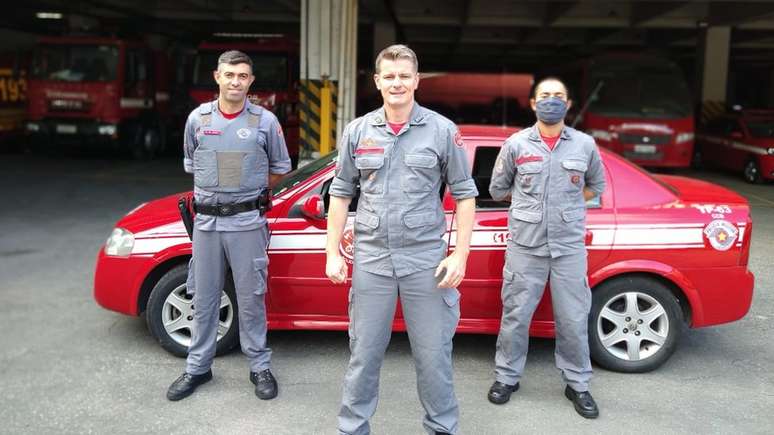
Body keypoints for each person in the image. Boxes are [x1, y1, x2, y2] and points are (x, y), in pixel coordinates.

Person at [325, 44, 477, 435]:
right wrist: (332, 252)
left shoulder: (442, 131)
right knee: (364, 354)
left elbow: (464, 195)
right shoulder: (358, 131)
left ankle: (441, 428)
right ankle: (352, 428)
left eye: (404, 76)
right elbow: (341, 193)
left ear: (417, 80)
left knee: (433, 357)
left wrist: (459, 255)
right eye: (389, 76)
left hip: (425, 263)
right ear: (377, 82)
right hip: (372, 260)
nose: (397, 83)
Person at [167, 50, 291, 401]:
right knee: (203, 297)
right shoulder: (197, 118)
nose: (236, 81)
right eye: (229, 74)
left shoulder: (265, 122)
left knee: (251, 298)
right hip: (206, 224)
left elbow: (280, 167)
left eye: (243, 76)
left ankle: (259, 366)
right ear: (217, 77)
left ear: (251, 81)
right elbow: (192, 162)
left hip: (247, 222)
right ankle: (197, 368)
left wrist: (247, 190)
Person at [487, 77, 606, 418]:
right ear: (533, 103)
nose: (551, 101)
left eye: (558, 96)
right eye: (544, 96)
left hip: (568, 247)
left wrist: (566, 203)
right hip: (525, 246)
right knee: (516, 315)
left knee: (572, 318)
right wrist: (529, 203)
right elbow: (498, 189)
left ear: (568, 105)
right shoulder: (516, 144)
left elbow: (595, 186)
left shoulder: (584, 145)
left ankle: (578, 384)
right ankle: (507, 378)